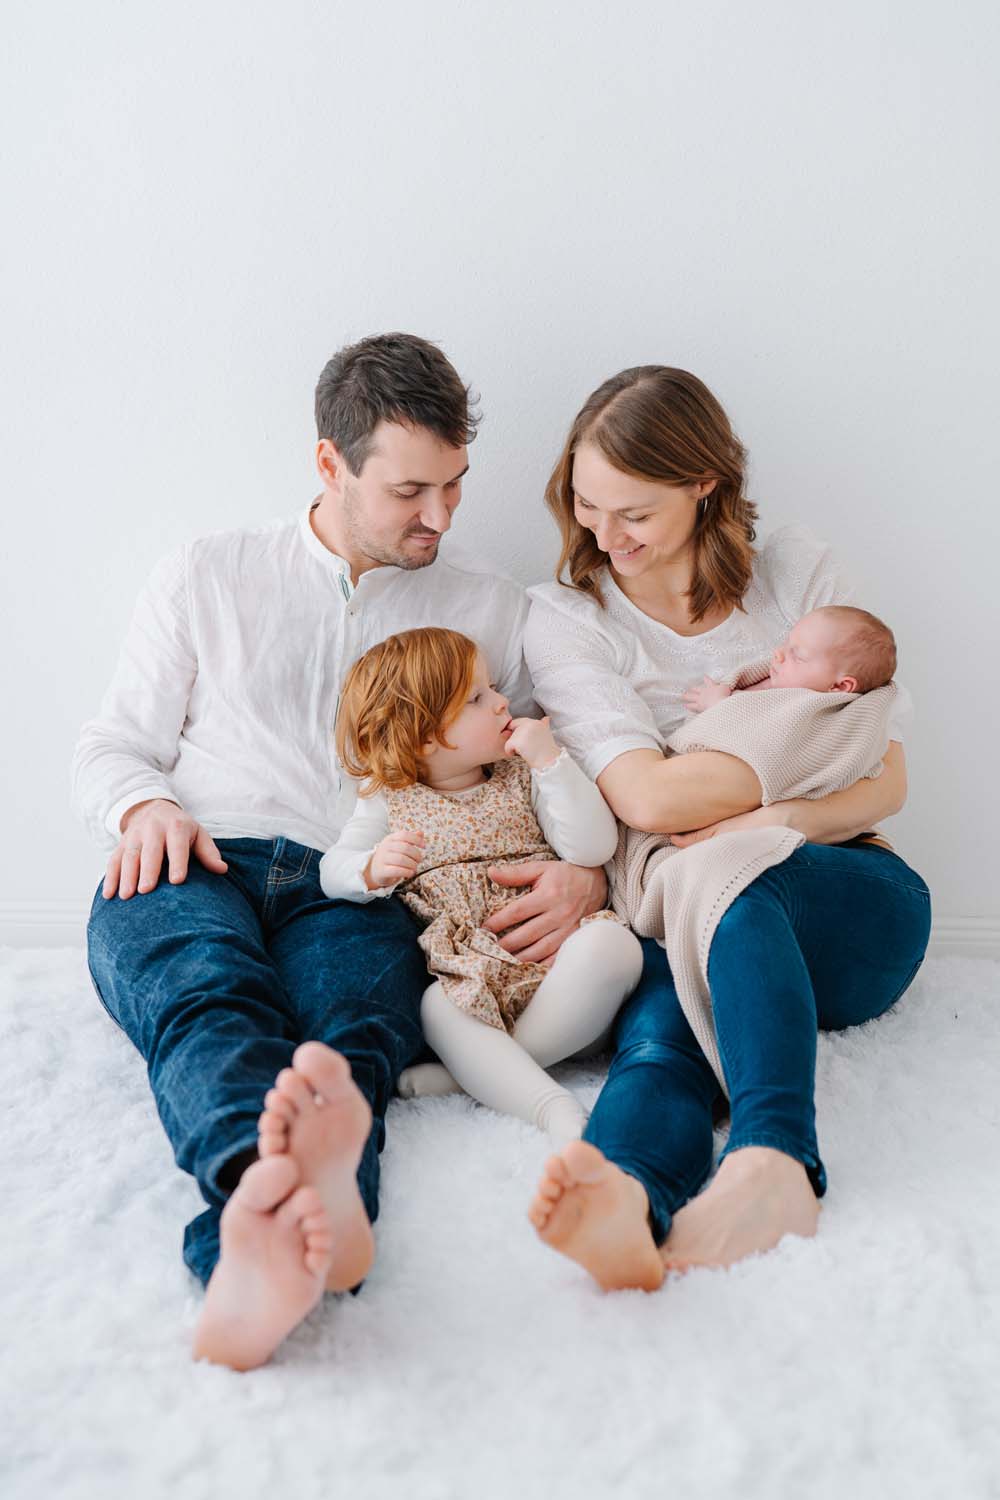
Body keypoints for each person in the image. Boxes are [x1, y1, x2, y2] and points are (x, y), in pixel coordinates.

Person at [73, 333, 608, 1370]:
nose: (441, 516)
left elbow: (547, 757)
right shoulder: (208, 573)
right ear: (331, 463)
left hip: (361, 886)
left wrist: (584, 869)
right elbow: (113, 742)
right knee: (209, 999)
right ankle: (263, 1211)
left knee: (355, 1035)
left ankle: (283, 1243)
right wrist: (144, 806)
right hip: (200, 854)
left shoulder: (489, 605)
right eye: (410, 491)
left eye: (455, 484)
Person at [521, 366, 931, 1291]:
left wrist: (776, 817)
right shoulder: (566, 618)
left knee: (733, 869)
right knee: (660, 1040)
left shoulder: (796, 572)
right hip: (689, 923)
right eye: (587, 505)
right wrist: (807, 760)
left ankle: (776, 1159)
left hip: (849, 900)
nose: (605, 536)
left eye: (635, 512)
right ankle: (626, 1195)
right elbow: (646, 802)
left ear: (705, 482)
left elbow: (890, 776)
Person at [319, 627, 643, 1145]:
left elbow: (593, 848)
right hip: (472, 976)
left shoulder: (522, 773)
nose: (501, 702)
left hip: (566, 983)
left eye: (493, 688)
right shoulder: (388, 798)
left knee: (615, 945)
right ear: (422, 735)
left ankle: (478, 1073)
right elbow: (331, 869)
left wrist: (551, 763)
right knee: (436, 1008)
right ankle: (550, 1106)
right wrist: (370, 869)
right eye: (476, 698)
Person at [683, 604, 896, 712]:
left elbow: (758, 729)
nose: (778, 653)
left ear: (839, 687)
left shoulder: (806, 710)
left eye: (798, 655)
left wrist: (718, 704)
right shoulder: (782, 683)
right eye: (787, 643)